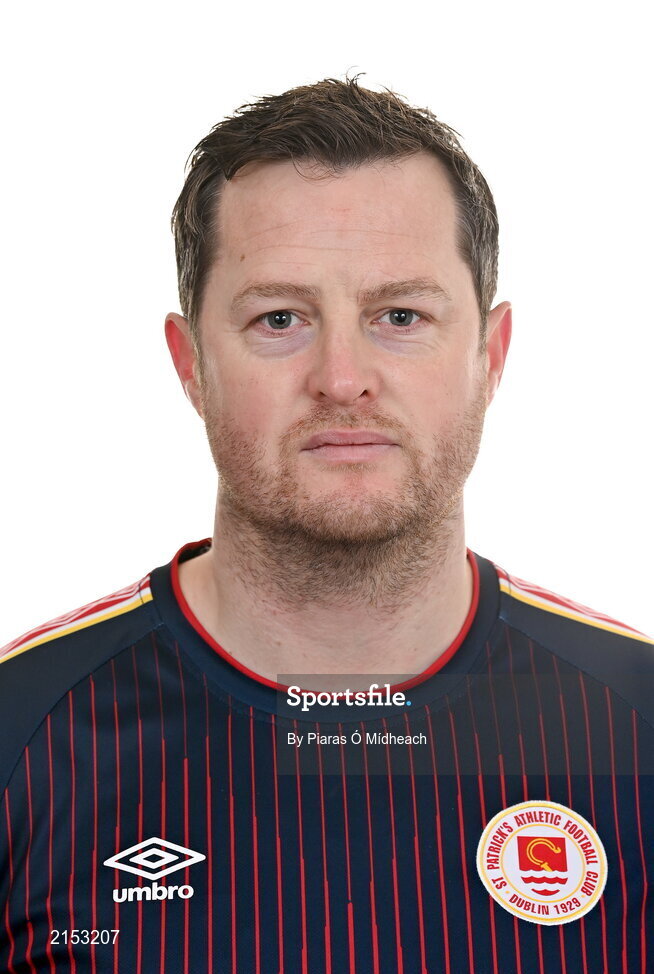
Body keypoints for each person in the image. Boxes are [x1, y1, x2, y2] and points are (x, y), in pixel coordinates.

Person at [1, 76, 652, 974]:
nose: (342, 377)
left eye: (400, 316)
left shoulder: (639, 721)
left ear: (490, 357)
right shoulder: (21, 731)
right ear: (191, 364)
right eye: (280, 318)